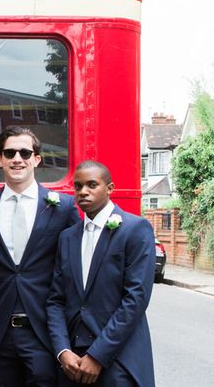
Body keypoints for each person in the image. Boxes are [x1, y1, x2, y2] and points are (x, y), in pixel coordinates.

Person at [0, 125, 80, 386]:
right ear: (0, 160)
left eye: (25, 152)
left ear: (36, 159)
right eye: (9, 153)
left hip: (45, 332)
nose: (17, 159)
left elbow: (73, 271)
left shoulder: (62, 208)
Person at [47, 160, 156, 386]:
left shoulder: (135, 229)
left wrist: (98, 355)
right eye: (78, 186)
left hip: (118, 360)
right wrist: (63, 350)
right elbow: (56, 300)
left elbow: (135, 299)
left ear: (110, 188)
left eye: (92, 185)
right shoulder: (67, 237)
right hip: (73, 363)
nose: (83, 192)